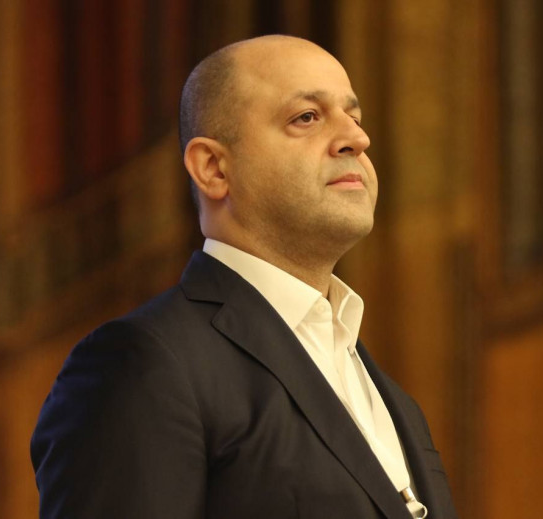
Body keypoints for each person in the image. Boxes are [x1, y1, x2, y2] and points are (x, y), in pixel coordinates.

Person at [31, 35, 458, 519]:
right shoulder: (143, 364)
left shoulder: (392, 397)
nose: (357, 140)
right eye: (306, 117)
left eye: (355, 118)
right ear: (214, 168)